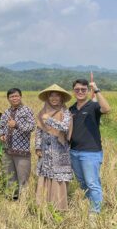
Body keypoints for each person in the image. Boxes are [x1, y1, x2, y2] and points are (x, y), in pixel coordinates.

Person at [69, 79, 111, 214]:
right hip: (74, 151)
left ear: (88, 91)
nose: (80, 92)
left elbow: (106, 109)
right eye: (77, 89)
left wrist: (97, 90)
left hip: (90, 152)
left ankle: (95, 213)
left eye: (83, 89)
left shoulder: (93, 106)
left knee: (92, 183)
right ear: (73, 91)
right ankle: (89, 206)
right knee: (82, 182)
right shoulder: (72, 109)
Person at [35, 84, 73, 211]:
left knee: (58, 177)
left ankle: (59, 207)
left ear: (61, 98)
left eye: (57, 95)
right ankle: (44, 206)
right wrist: (38, 147)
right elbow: (39, 131)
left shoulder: (65, 112)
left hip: (59, 150)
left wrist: (50, 120)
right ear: (48, 98)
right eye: (51, 96)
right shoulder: (43, 112)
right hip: (45, 151)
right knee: (45, 175)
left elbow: (65, 127)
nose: (54, 98)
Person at [0, 88, 35, 199]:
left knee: (22, 179)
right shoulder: (6, 112)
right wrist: (1, 135)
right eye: (11, 96)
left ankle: (23, 202)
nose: (14, 98)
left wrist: (17, 125)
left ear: (20, 97)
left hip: (21, 152)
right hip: (7, 151)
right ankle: (11, 200)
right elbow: (1, 126)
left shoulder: (27, 110)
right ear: (8, 99)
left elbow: (31, 127)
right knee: (10, 177)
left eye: (16, 96)